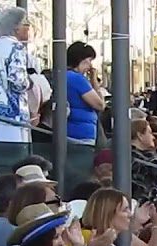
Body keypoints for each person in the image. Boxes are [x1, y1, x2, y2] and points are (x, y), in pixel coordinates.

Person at [0, 8, 33, 171]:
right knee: (14, 164)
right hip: (12, 116)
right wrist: (30, 83)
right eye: (26, 24)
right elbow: (17, 81)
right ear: (16, 27)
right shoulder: (16, 47)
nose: (28, 28)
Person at [64, 42, 105, 187]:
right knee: (81, 177)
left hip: (71, 132)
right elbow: (100, 104)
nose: (89, 66)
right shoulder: (77, 79)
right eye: (88, 61)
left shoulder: (64, 76)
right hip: (80, 136)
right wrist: (94, 80)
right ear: (79, 60)